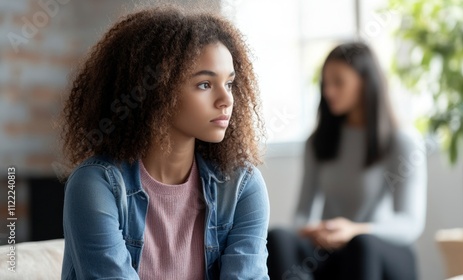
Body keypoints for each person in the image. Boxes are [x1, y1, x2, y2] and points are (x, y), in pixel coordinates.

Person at [59, 5, 270, 280]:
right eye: (205, 84)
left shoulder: (243, 186)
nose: (226, 99)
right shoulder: (96, 185)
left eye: (229, 83)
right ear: (156, 93)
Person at [267, 42, 427, 280]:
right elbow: (302, 213)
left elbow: (409, 223)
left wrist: (355, 230)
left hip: (380, 251)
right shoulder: (318, 141)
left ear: (365, 82)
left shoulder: (402, 141)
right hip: (330, 252)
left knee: (361, 245)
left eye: (338, 82)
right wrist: (314, 231)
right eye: (325, 83)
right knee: (278, 237)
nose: (328, 91)